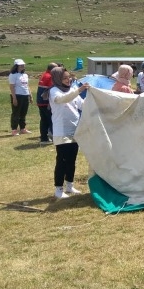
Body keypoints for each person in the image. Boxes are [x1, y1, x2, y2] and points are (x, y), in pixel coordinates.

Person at [49, 67, 89, 199]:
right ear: (57, 79)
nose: (68, 80)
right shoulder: (54, 91)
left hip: (74, 129)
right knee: (62, 160)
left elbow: (82, 105)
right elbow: (63, 99)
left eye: (69, 77)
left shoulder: (72, 90)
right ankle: (58, 189)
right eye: (64, 78)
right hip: (61, 131)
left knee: (72, 159)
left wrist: (94, 98)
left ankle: (70, 185)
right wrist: (79, 90)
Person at [8, 58, 33, 136]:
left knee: (23, 113)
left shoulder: (25, 75)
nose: (22, 66)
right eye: (20, 65)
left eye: (23, 65)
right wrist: (14, 98)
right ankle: (14, 129)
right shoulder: (13, 75)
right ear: (16, 66)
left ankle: (22, 128)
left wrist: (30, 95)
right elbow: (12, 86)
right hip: (17, 95)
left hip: (25, 95)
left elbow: (27, 86)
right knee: (16, 113)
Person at [36, 62, 57, 143]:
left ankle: (43, 138)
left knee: (43, 120)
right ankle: (52, 136)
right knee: (50, 119)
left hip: (40, 101)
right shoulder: (50, 77)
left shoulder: (44, 74)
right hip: (46, 102)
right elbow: (52, 90)